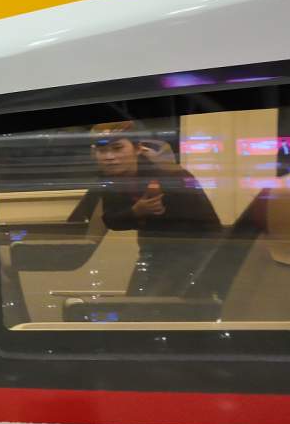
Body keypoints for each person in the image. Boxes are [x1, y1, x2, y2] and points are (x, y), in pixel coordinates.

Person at [88, 121, 222, 296]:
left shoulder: (169, 176)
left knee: (148, 306)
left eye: (117, 148)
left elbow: (201, 229)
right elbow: (112, 220)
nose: (109, 157)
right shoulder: (108, 178)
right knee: (137, 306)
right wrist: (137, 211)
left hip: (196, 251)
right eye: (102, 151)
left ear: (138, 149)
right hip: (154, 250)